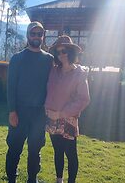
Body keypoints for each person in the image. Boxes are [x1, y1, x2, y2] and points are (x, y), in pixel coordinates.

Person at [6, 21, 54, 183]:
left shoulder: (49, 59)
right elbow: (11, 87)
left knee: (35, 149)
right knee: (14, 148)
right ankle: (11, 178)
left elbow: (54, 83)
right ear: (28, 35)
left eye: (39, 34)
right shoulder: (17, 58)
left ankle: (32, 179)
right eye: (33, 33)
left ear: (43, 36)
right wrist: (12, 111)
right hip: (19, 111)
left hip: (39, 113)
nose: (36, 36)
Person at [45, 35, 90, 183]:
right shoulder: (53, 71)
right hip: (52, 119)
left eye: (64, 50)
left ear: (71, 52)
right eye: (58, 52)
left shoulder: (79, 73)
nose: (61, 54)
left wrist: (61, 113)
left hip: (68, 120)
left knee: (71, 154)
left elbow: (84, 99)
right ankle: (59, 180)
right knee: (58, 152)